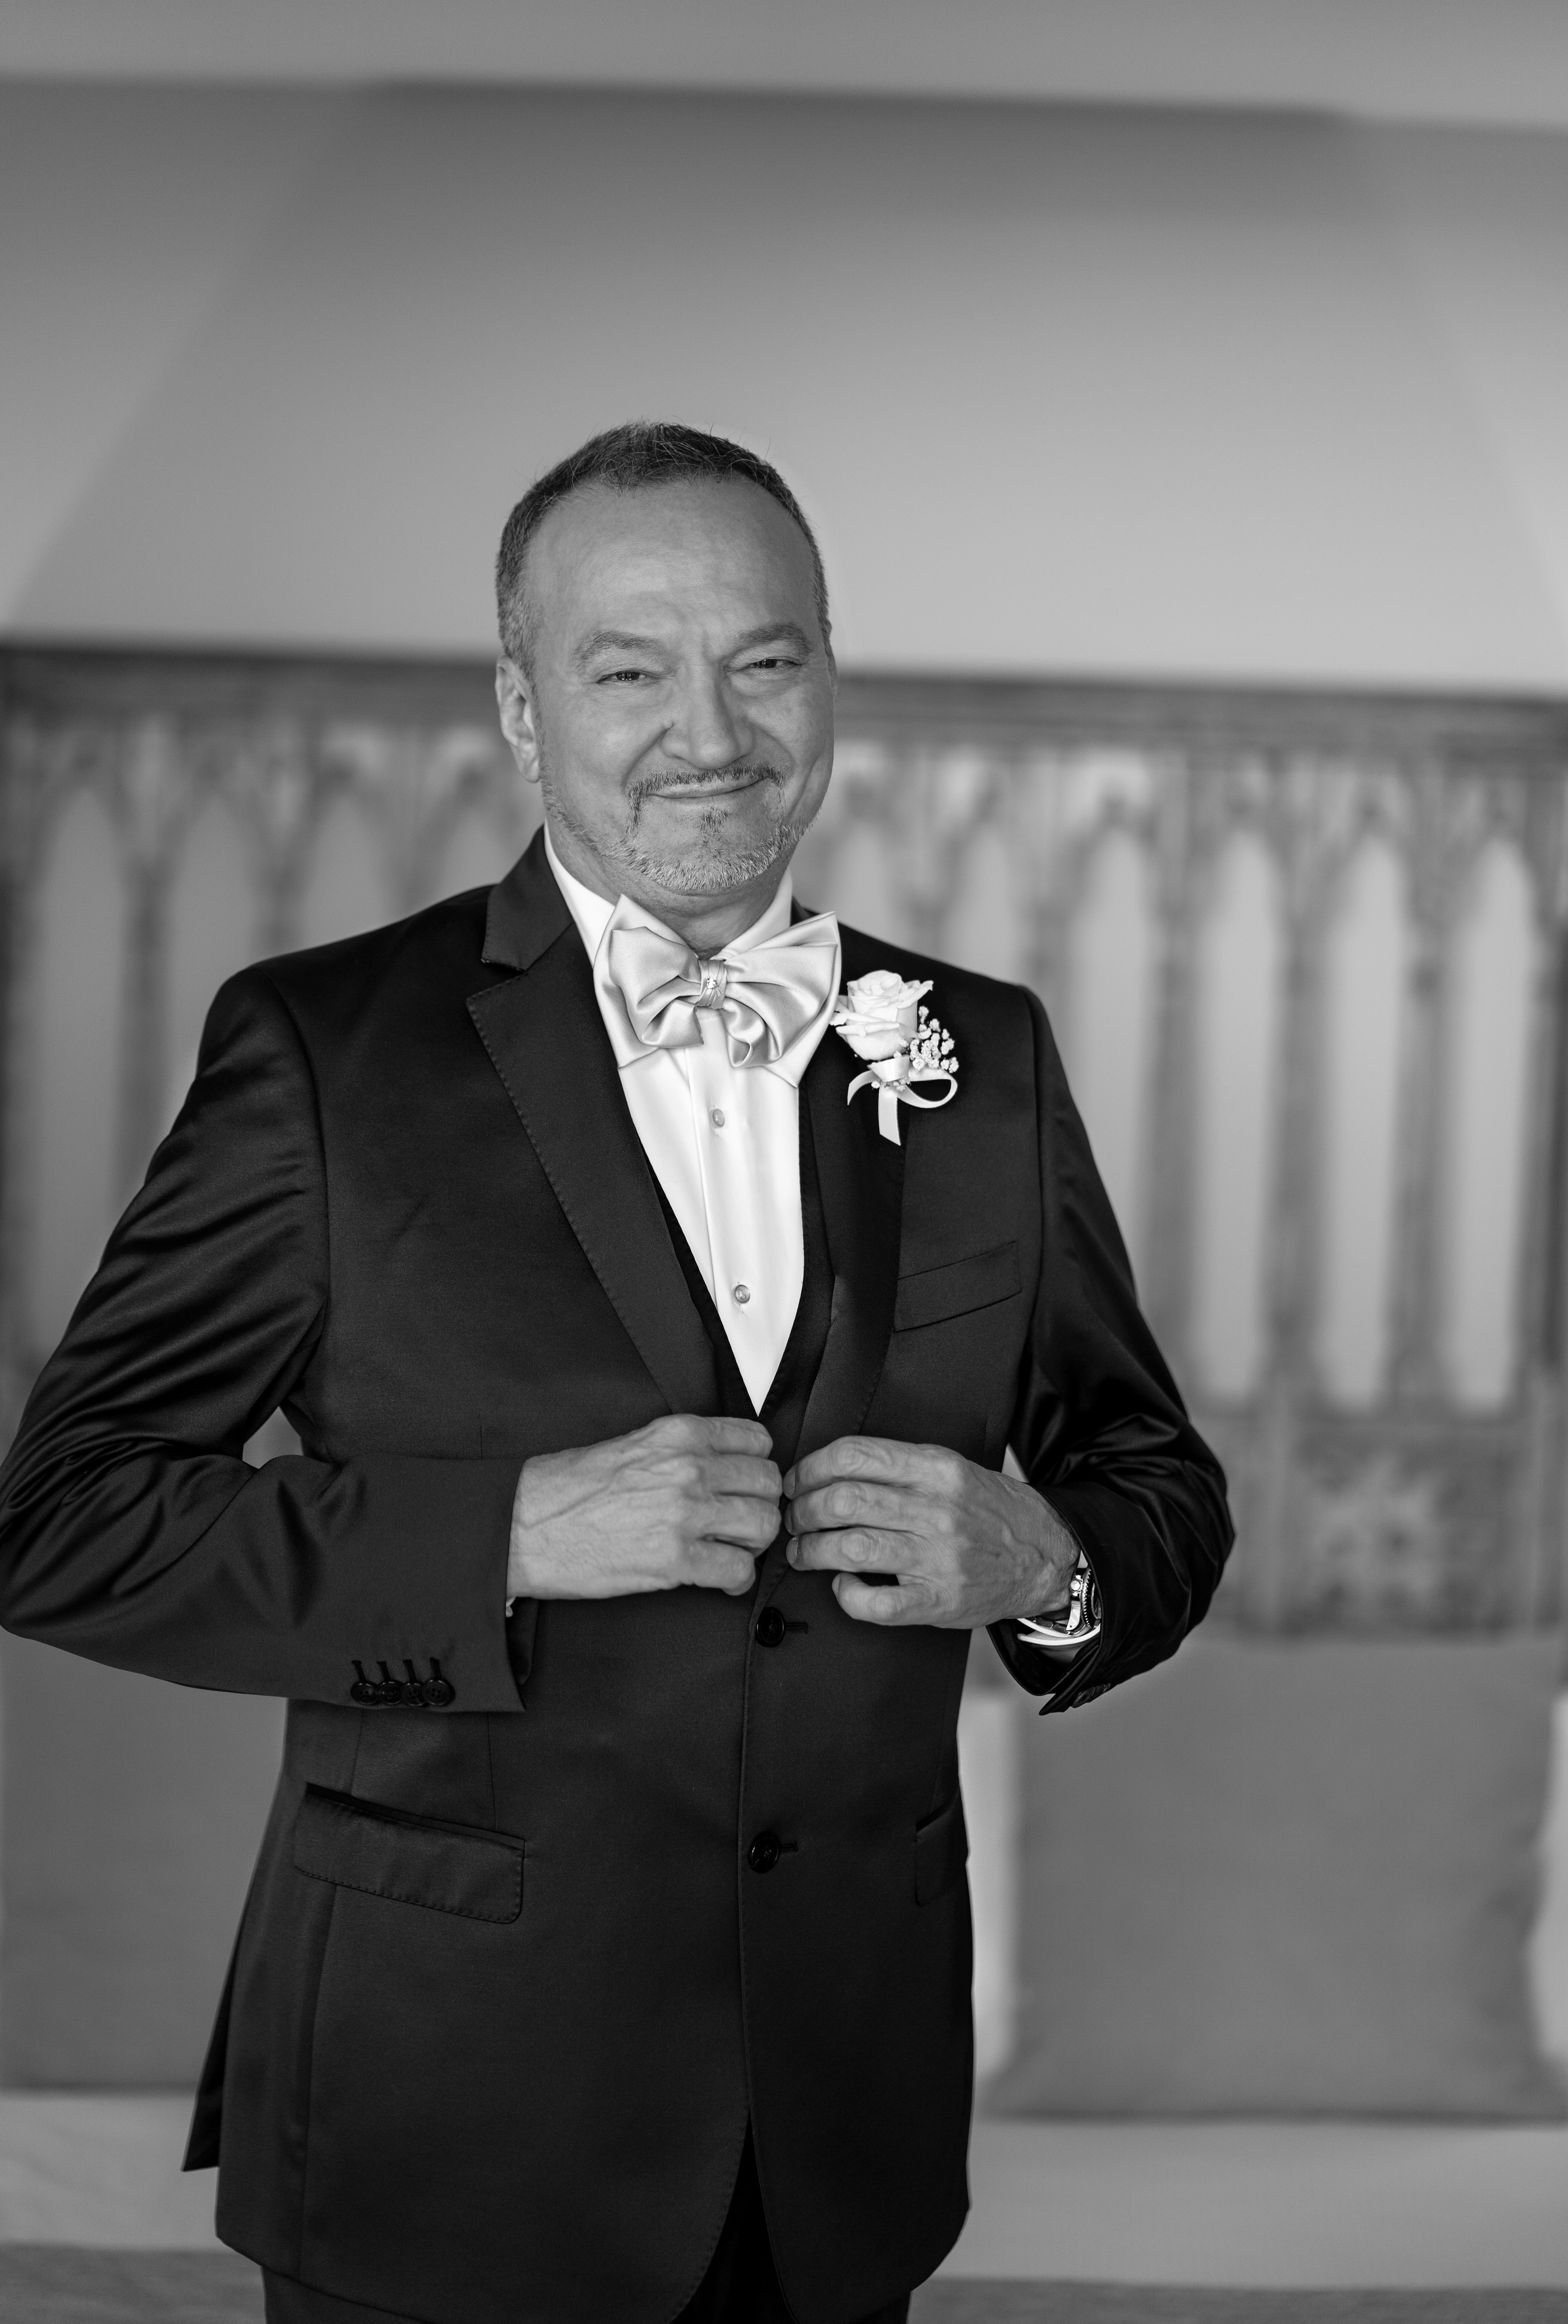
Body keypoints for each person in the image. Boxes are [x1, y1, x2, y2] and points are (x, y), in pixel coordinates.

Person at [0, 422, 1231, 2324]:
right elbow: (64, 1519)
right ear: (519, 705)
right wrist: (500, 1534)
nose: (710, 732)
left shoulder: (978, 1052)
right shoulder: (325, 1053)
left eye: (765, 658)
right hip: (440, 2107)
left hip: (842, 2132)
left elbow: (1152, 1479)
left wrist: (1042, 1569)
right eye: (628, 666)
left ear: (829, 674)